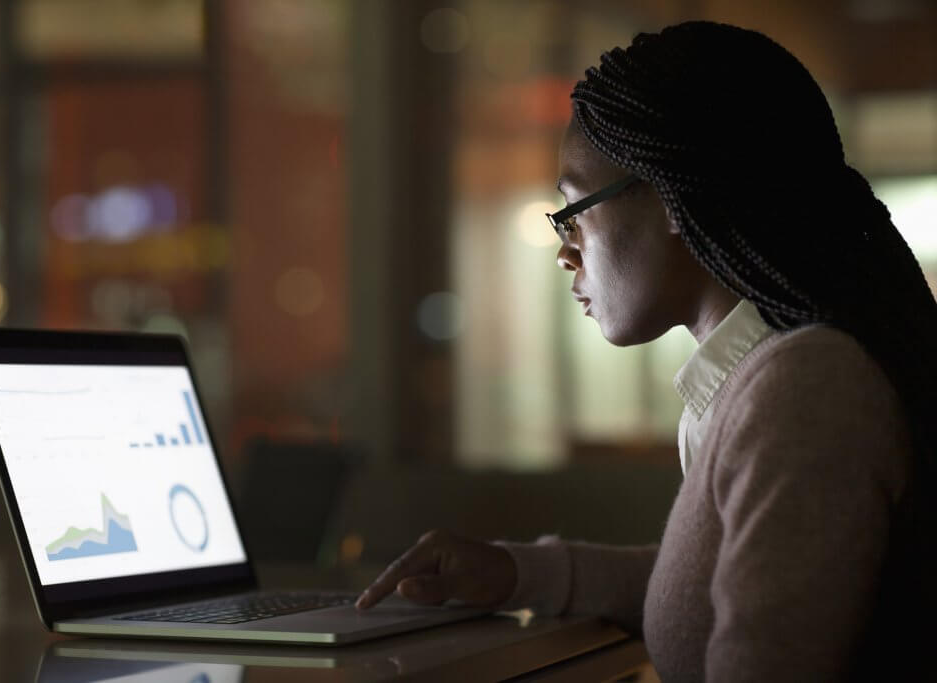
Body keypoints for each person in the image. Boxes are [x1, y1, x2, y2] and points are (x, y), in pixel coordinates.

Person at [355, 20, 935, 682]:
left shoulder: (806, 389)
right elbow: (714, 588)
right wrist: (519, 572)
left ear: (668, 196)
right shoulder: (761, 382)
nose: (564, 248)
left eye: (574, 209)